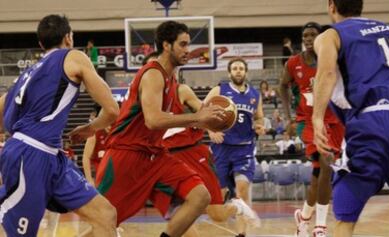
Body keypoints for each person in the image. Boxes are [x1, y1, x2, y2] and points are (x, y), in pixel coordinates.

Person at [95, 20, 224, 237]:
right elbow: (153, 120)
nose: (187, 51)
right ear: (166, 45)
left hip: (154, 155)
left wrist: (206, 121)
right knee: (105, 224)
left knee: (200, 196)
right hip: (126, 155)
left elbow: (170, 119)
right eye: (182, 45)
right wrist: (196, 117)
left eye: (188, 45)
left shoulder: (172, 80)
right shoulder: (153, 74)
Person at [0, 14, 119, 237]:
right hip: (31, 154)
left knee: (105, 214)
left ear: (41, 44)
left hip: (50, 156)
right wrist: (89, 128)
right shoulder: (73, 56)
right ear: (68, 37)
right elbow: (112, 109)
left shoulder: (26, 74)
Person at [312, 1, 389, 236]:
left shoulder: (331, 35)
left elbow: (326, 73)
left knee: (346, 210)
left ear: (331, 6)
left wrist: (317, 118)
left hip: (372, 120)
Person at [163, 82, 260, 237]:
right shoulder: (145, 101)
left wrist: (211, 128)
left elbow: (205, 112)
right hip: (165, 159)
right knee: (177, 215)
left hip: (192, 153)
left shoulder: (181, 90)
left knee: (217, 214)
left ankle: (238, 207)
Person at [279, 22, 345, 237]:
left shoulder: (332, 59)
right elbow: (282, 86)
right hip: (307, 122)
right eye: (305, 35)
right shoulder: (293, 63)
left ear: (320, 38)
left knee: (319, 174)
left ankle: (304, 217)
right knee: (326, 165)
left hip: (334, 122)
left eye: (312, 35)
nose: (308, 38)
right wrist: (288, 117)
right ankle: (320, 226)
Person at [205, 57, 265, 237]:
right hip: (221, 148)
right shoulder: (219, 90)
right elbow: (201, 110)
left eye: (241, 68)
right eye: (235, 68)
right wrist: (210, 130)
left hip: (244, 148)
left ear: (246, 72)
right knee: (217, 202)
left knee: (242, 190)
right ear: (229, 72)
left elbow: (259, 118)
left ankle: (241, 234)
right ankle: (235, 209)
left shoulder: (255, 94)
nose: (238, 71)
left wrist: (260, 126)